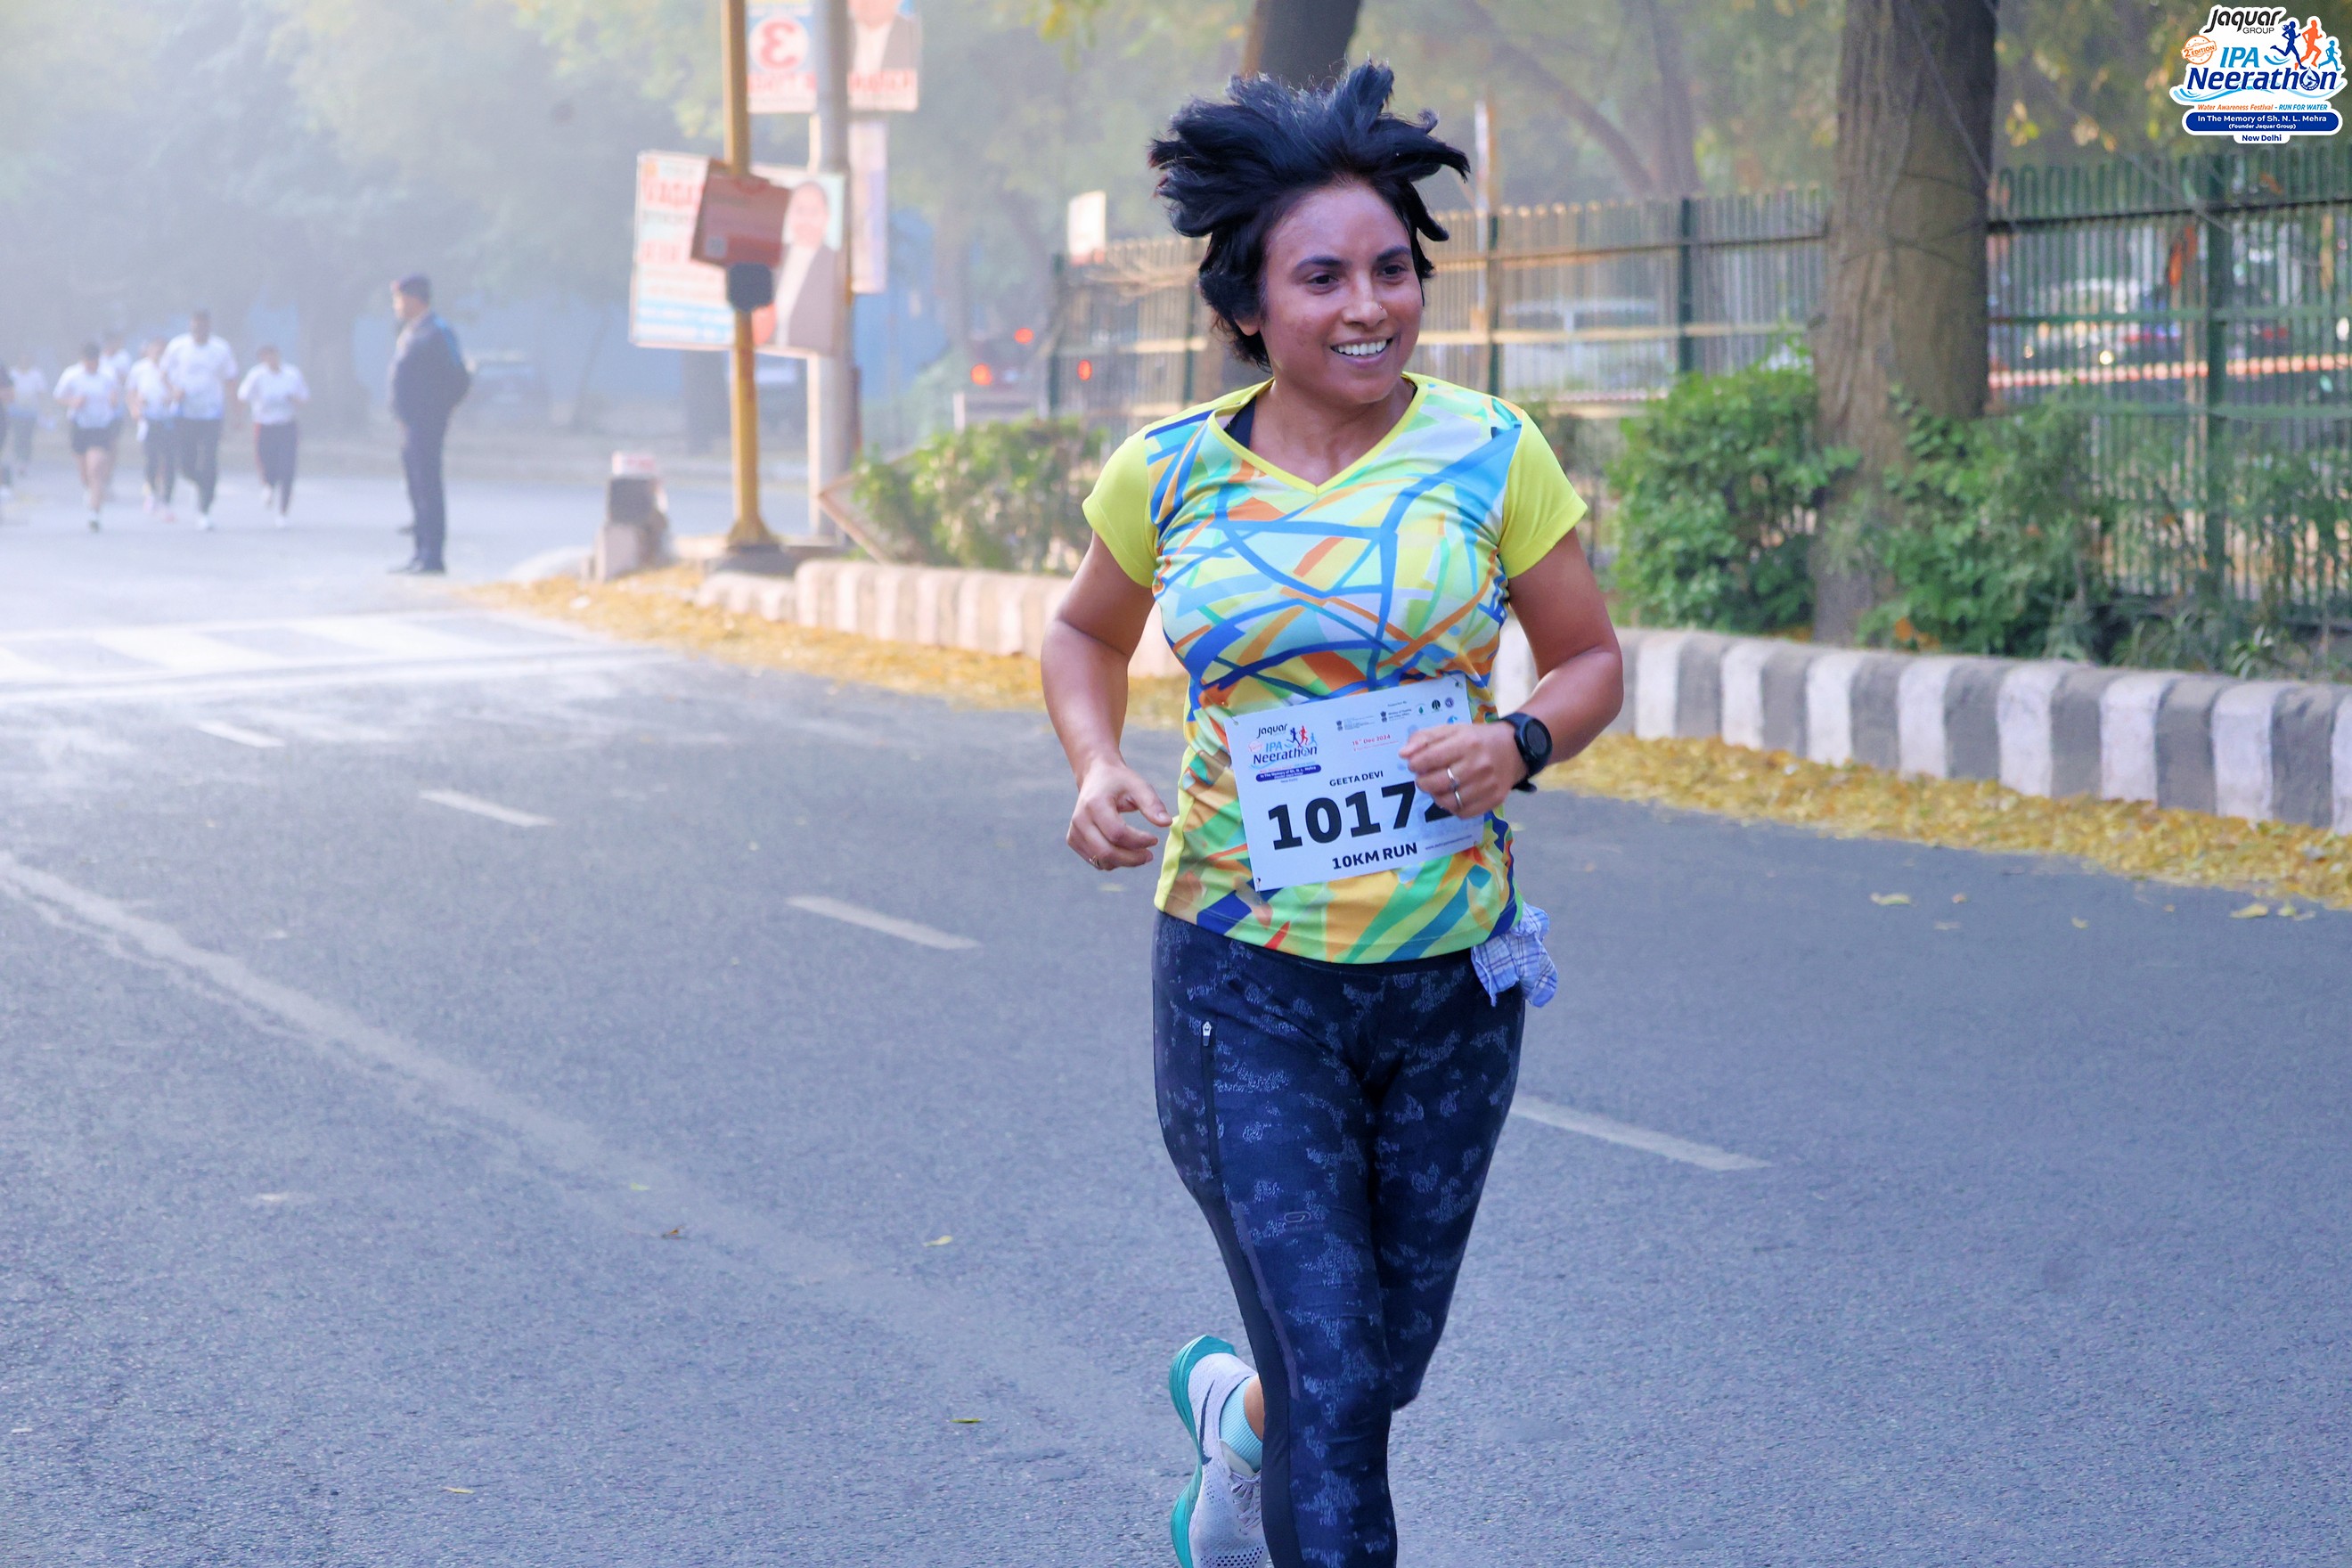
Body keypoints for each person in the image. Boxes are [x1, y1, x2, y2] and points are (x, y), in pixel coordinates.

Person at [1039, 65, 1623, 1568]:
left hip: (1451, 986)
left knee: (1377, 1369)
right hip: (1245, 985)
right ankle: (1282, 1436)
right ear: (1249, 304)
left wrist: (1519, 740)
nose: (1370, 307)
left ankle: (1239, 1429)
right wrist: (1095, 763)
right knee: (1343, 1386)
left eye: (1393, 271)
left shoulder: (1491, 452)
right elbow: (1084, 634)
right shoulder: (1168, 473)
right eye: (1324, 279)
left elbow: (1589, 660)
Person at [388, 274, 470, 575]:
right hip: (409, 424)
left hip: (427, 422)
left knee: (428, 486)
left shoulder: (438, 331)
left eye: (399, 299)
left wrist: (436, 411)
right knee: (415, 486)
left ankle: (433, 555)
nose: (396, 305)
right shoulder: (412, 331)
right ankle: (419, 551)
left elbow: (459, 377)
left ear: (413, 299)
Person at [162, 309, 237, 529]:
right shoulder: (178, 347)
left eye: (203, 326)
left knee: (209, 459)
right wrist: (173, 390)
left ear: (209, 326)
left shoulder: (220, 349)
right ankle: (202, 484)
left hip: (211, 413)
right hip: (185, 413)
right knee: (185, 464)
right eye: (195, 327)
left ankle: (205, 508)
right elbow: (164, 374)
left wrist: (236, 413)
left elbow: (230, 379)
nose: (199, 331)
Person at [755, 180, 844, 359]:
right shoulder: (770, 256)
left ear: (826, 216)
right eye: (800, 210)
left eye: (813, 212)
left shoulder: (837, 264)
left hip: (813, 364)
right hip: (764, 358)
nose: (806, 219)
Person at [53, 341, 125, 530]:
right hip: (80, 426)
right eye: (88, 362)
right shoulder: (72, 375)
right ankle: (89, 489)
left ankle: (95, 513)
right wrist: (73, 401)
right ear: (82, 360)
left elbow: (115, 397)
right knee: (85, 473)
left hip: (101, 427)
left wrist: (113, 400)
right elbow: (59, 397)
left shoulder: (107, 375)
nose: (91, 365)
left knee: (96, 468)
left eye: (94, 362)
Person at [238, 345, 308, 524]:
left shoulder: (292, 374)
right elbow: (243, 396)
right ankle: (268, 485)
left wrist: (293, 400)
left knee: (287, 468)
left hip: (286, 425)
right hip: (265, 425)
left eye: (274, 356)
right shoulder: (257, 375)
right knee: (267, 462)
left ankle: (283, 512)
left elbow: (304, 398)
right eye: (267, 357)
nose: (271, 360)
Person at [127, 338, 180, 519]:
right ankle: (151, 493)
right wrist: (135, 407)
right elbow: (131, 392)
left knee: (169, 461)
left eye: (162, 351)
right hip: (148, 420)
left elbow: (180, 392)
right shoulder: (139, 369)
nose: (158, 354)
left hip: (169, 420)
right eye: (155, 350)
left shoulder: (173, 369)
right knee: (151, 460)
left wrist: (170, 394)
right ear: (148, 351)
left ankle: (167, 500)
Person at [9, 356, 45, 480]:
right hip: (16, 411)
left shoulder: (36, 374)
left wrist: (44, 409)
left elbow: (41, 392)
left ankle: (25, 461)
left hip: (31, 412)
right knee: (18, 435)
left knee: (27, 437)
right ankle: (18, 459)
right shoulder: (12, 374)